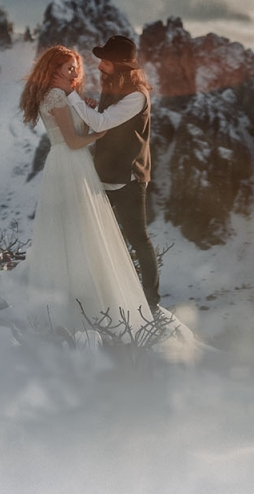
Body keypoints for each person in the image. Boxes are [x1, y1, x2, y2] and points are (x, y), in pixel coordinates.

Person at [18, 45, 154, 334]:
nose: (76, 72)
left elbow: (72, 129)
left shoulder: (65, 95)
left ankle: (78, 293)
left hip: (71, 165)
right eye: (69, 67)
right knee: (84, 230)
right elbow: (74, 141)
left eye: (75, 67)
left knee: (76, 231)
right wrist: (99, 132)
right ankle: (88, 299)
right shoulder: (57, 95)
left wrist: (83, 111)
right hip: (72, 163)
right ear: (53, 70)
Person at [64, 35, 160, 310]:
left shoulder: (136, 97)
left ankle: (151, 300)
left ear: (119, 66)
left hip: (128, 178)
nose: (100, 66)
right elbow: (102, 126)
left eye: (105, 62)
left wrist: (73, 96)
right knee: (97, 233)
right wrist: (91, 108)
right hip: (105, 173)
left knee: (138, 239)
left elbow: (103, 123)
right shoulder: (114, 90)